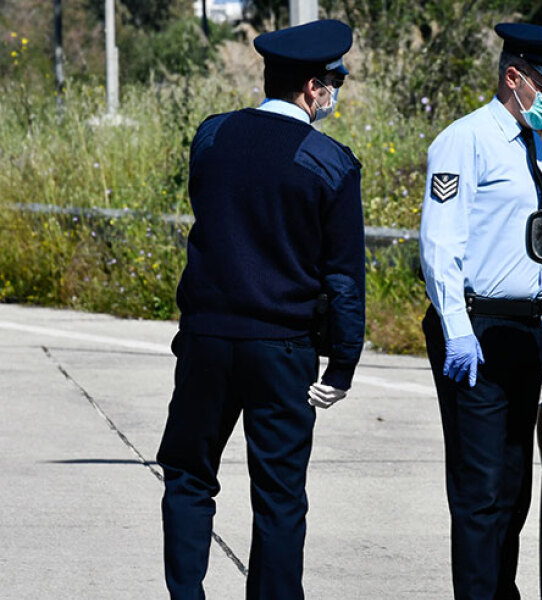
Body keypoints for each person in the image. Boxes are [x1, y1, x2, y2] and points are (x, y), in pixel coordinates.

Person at [155, 19, 365, 600]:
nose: (334, 94)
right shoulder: (330, 162)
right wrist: (343, 363)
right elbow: (343, 276)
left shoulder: (212, 136)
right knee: (279, 495)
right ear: (313, 88)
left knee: (188, 476)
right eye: (333, 84)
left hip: (207, 338)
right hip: (282, 348)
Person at [419, 22, 542, 600]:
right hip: (476, 327)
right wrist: (456, 328)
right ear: (514, 77)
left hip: (521, 329)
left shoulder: (532, 143)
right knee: (480, 489)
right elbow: (440, 244)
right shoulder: (465, 140)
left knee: (514, 487)